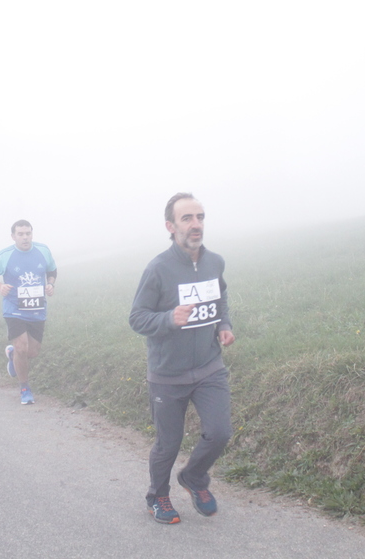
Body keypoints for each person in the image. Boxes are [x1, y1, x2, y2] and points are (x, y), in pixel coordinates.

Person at [129, 193, 235, 525]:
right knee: (168, 444)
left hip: (209, 367)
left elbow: (220, 297)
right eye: (187, 218)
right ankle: (157, 496)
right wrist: (168, 318)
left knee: (220, 432)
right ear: (170, 226)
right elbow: (137, 318)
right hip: (168, 374)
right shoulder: (158, 268)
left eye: (200, 217)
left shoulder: (214, 262)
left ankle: (193, 477)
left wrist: (224, 325)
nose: (195, 224)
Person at [0, 220, 57, 405]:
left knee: (32, 352)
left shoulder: (43, 251)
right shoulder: (5, 255)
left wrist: (50, 284)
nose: (25, 237)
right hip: (14, 309)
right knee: (22, 347)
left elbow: (52, 271)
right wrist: (0, 286)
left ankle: (12, 354)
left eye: (28, 233)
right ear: (13, 236)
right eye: (21, 234)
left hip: (37, 309)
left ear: (32, 234)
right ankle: (25, 388)